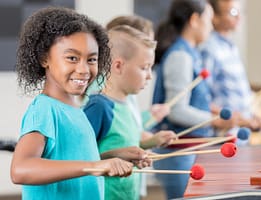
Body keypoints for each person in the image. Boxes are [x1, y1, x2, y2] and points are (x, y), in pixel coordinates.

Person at [10, 7, 149, 200]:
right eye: (72, 58)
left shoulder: (77, 108)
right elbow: (20, 169)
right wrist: (94, 166)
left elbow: (74, 163)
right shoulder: (44, 109)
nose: (84, 69)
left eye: (91, 59)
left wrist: (112, 157)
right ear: (44, 58)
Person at [151, 0, 237, 198]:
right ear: (195, 20)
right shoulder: (180, 55)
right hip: (178, 153)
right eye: (208, 18)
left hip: (188, 151)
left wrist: (214, 113)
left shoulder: (189, 52)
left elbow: (191, 101)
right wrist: (215, 120)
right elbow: (176, 110)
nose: (211, 25)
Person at [83, 25, 176, 200]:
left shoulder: (126, 106)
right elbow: (79, 160)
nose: (149, 76)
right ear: (118, 66)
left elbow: (123, 145)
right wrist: (114, 157)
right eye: (144, 67)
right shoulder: (99, 107)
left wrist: (151, 143)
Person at [199, 0, 261, 132]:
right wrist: (231, 118)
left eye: (239, 11)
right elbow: (201, 98)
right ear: (215, 17)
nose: (238, 17)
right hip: (222, 136)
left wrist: (252, 117)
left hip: (239, 134)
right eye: (232, 12)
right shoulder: (209, 49)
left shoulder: (231, 47)